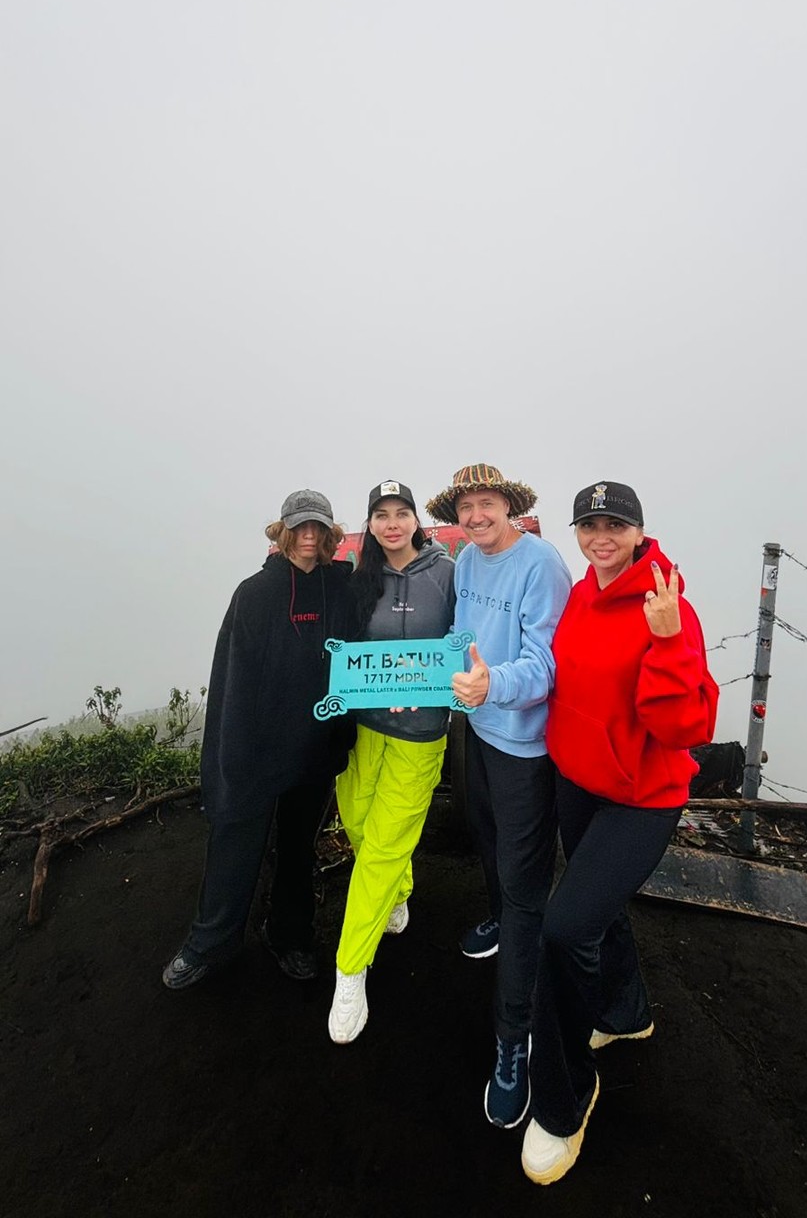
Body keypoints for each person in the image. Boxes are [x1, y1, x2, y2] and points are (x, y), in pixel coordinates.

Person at [521, 480, 719, 1185]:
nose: (600, 536)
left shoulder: (669, 609)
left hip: (642, 798)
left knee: (563, 928)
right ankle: (626, 1010)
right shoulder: (581, 593)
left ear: (639, 531)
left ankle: (564, 1098)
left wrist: (666, 641)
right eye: (589, 524)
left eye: (615, 524)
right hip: (581, 784)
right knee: (594, 914)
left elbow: (687, 728)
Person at [425, 463, 572, 1129]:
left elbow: (546, 664)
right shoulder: (463, 563)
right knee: (484, 840)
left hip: (524, 745)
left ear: (511, 505)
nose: (476, 516)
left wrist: (492, 688)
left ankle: (515, 1042)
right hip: (476, 731)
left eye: (487, 504)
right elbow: (461, 646)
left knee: (523, 890)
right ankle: (499, 916)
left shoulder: (541, 566)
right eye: (465, 506)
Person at [162, 489, 356, 991]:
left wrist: (341, 737)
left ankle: (289, 936)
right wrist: (229, 757)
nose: (309, 537)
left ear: (331, 534)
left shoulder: (342, 589)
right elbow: (233, 677)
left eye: (319, 528)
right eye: (301, 527)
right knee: (234, 844)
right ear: (284, 531)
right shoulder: (254, 593)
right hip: (256, 748)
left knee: (296, 851)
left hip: (313, 751)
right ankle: (209, 942)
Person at [328, 480, 455, 1043]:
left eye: (401, 512)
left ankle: (350, 969)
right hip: (365, 729)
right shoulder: (361, 576)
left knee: (379, 849)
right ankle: (399, 892)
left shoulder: (448, 574)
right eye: (381, 515)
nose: (392, 523)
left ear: (415, 520)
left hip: (420, 735)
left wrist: (431, 681)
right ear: (371, 524)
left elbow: (467, 641)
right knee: (356, 821)